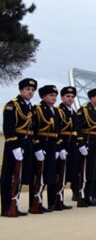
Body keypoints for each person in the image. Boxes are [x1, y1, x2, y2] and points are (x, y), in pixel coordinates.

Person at [1, 78, 37, 217]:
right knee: (8, 176)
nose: (30, 92)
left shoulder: (30, 107)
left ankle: (14, 203)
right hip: (14, 144)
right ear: (21, 90)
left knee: (20, 175)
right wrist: (15, 146)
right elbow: (9, 127)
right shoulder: (12, 105)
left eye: (32, 90)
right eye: (27, 89)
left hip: (26, 143)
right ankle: (6, 207)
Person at [29, 85, 60, 214]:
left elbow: (58, 131)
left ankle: (51, 202)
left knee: (50, 174)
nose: (54, 98)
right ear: (43, 96)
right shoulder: (37, 109)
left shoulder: (55, 111)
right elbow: (33, 130)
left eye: (55, 95)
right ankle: (35, 203)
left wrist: (58, 147)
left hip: (52, 145)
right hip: (42, 144)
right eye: (51, 95)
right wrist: (37, 147)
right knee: (38, 176)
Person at [75, 88, 96, 207]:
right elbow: (77, 128)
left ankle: (90, 195)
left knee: (94, 171)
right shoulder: (84, 110)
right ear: (91, 98)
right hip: (88, 142)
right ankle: (82, 196)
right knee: (85, 171)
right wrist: (81, 144)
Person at [56, 86, 78, 206]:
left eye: (72, 97)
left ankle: (61, 199)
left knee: (69, 172)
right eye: (68, 96)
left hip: (72, 144)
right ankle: (57, 199)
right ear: (62, 97)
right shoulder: (59, 110)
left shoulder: (72, 111)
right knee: (60, 173)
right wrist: (60, 147)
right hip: (62, 143)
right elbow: (57, 130)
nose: (70, 99)